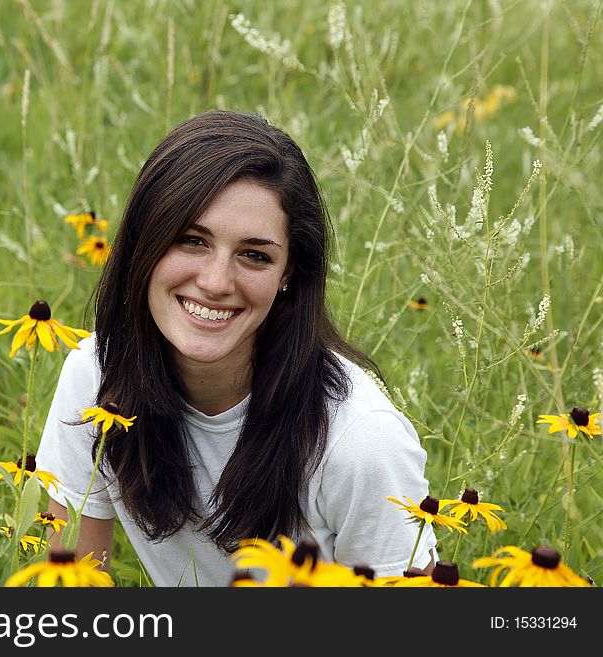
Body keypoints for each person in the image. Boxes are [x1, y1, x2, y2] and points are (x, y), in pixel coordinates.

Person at [36, 110, 437, 586]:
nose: (215, 282)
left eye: (255, 255)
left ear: (288, 272)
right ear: (145, 240)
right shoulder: (96, 379)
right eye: (190, 240)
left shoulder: (361, 443)